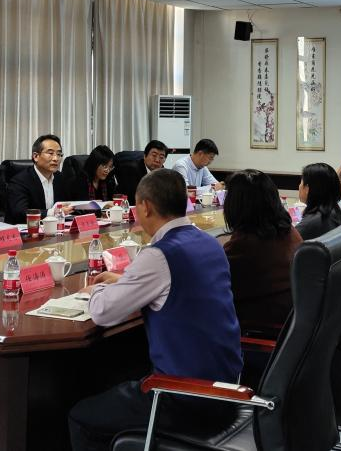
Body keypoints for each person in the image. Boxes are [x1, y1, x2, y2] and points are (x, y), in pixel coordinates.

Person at [68, 169, 242, 451]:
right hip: (225, 388)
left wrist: (95, 290)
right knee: (117, 375)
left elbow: (102, 311)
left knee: (81, 417)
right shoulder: (209, 242)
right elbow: (175, 281)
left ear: (146, 207)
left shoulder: (159, 254)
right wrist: (125, 281)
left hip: (184, 398)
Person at [221, 169, 303, 329]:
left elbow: (217, 291)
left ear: (236, 205)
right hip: (288, 322)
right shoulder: (289, 231)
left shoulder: (244, 246)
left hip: (259, 329)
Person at [7, 134, 73, 220]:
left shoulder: (60, 178)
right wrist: (53, 212)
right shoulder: (19, 181)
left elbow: (68, 204)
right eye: (50, 153)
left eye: (59, 154)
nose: (56, 159)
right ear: (35, 156)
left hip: (56, 226)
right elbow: (20, 212)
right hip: (26, 227)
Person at [296, 162, 341, 239]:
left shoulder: (312, 222)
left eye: (301, 182)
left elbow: (287, 243)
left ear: (307, 189)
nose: (299, 186)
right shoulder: (337, 212)